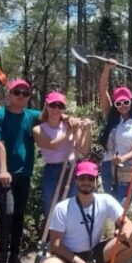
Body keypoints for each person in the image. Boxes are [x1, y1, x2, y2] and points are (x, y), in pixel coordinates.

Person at [34, 160, 132, 263]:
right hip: (67, 255)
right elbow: (55, 245)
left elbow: (128, 224)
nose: (86, 182)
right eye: (82, 178)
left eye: (90, 178)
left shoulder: (106, 200)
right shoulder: (62, 207)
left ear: (97, 181)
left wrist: (124, 233)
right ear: (76, 180)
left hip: (94, 252)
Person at [0, 78, 41, 263]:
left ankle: (15, 256)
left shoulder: (32, 116)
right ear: (9, 94)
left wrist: (70, 118)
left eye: (25, 93)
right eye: (16, 92)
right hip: (4, 175)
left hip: (24, 172)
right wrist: (3, 169)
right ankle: (2, 255)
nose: (20, 96)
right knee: (7, 212)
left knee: (19, 215)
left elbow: (52, 114)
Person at [32, 92, 84, 223]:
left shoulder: (70, 124)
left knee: (72, 203)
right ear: (46, 107)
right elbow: (51, 145)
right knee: (51, 205)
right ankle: (51, 236)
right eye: (52, 105)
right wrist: (68, 132)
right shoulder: (38, 129)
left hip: (72, 168)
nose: (56, 109)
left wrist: (78, 128)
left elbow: (80, 146)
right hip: (52, 169)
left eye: (60, 106)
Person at [98, 64, 132, 197]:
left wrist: (123, 158)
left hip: (128, 167)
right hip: (108, 165)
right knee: (111, 203)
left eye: (125, 102)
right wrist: (107, 69)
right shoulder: (112, 118)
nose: (122, 106)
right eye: (118, 103)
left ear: (131, 102)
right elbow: (103, 91)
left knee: (122, 205)